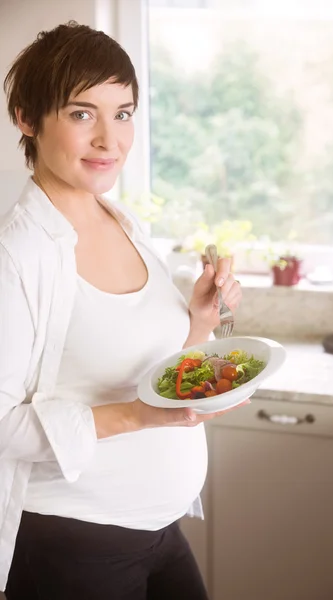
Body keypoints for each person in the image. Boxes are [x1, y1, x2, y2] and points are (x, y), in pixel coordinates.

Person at [0, 21, 243, 600]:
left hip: (159, 529)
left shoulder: (123, 222)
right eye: (83, 114)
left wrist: (200, 322)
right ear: (28, 119)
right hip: (74, 547)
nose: (111, 140)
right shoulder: (17, 255)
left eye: (124, 113)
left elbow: (151, 369)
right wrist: (137, 417)